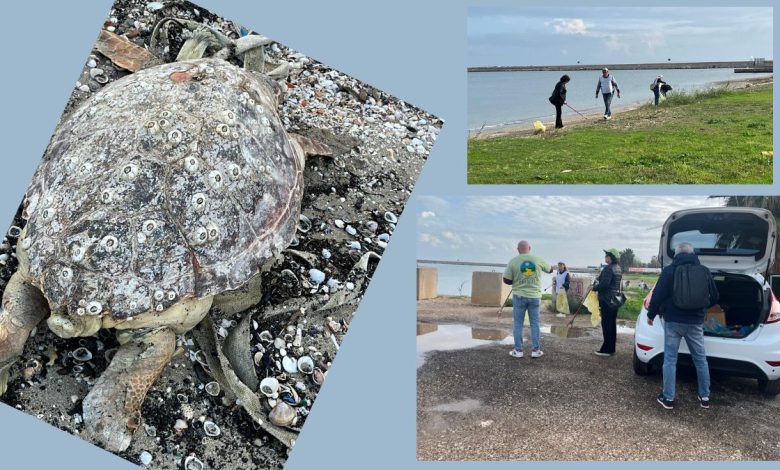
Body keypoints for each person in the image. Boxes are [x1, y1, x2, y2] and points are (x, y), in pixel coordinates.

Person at [647, 242, 719, 410]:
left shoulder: (669, 271)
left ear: (676, 254)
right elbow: (715, 297)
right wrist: (701, 309)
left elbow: (657, 296)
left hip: (673, 321)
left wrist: (651, 314)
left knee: (670, 360)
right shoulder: (704, 271)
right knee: (700, 359)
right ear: (693, 254)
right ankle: (705, 397)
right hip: (695, 323)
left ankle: (668, 398)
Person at [503, 240, 553, 358]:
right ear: (529, 248)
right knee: (535, 323)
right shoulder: (537, 259)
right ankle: (536, 350)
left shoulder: (513, 261)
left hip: (519, 296)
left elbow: (506, 280)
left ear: (517, 249)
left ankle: (518, 350)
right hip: (535, 296)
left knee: (518, 323)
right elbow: (550, 270)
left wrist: (516, 278)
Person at [592, 248, 623, 356]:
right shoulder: (618, 268)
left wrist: (595, 288)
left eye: (606, 255)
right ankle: (611, 348)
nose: (605, 257)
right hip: (614, 300)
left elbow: (604, 284)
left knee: (606, 324)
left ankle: (606, 350)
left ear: (611, 257)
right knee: (612, 324)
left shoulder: (608, 268)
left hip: (606, 300)